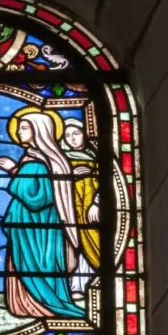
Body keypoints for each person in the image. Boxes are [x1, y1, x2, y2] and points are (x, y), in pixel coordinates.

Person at [0, 109, 81, 319]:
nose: (19, 132)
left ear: (38, 131)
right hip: (27, 224)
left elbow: (37, 197)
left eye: (24, 128)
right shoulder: (37, 159)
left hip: (38, 226)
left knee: (37, 264)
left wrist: (14, 170)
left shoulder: (40, 162)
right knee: (24, 262)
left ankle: (40, 304)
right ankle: (25, 304)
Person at [62, 119, 100, 301]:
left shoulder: (97, 157)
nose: (72, 139)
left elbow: (110, 183)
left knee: (92, 242)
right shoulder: (62, 158)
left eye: (76, 134)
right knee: (74, 244)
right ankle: (75, 285)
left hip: (91, 208)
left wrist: (97, 203)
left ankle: (90, 281)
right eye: (68, 135)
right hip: (71, 207)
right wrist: (70, 175)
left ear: (84, 133)